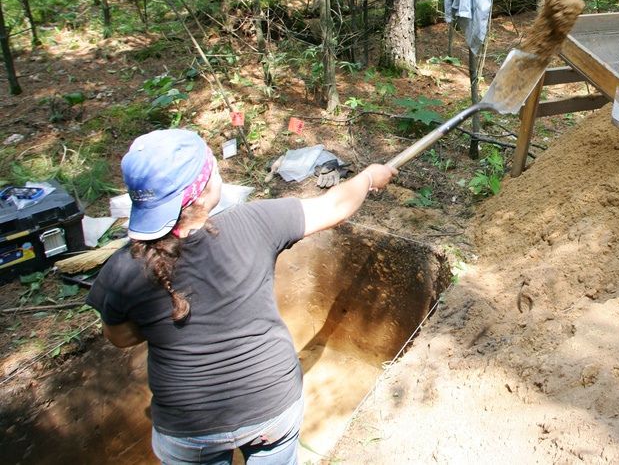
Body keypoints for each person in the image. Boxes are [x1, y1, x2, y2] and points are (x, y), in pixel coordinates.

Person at [85, 129, 397, 464]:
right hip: (271, 408)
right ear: (202, 196)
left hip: (187, 429)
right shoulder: (253, 222)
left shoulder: (122, 268)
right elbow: (335, 205)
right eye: (214, 169)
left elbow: (119, 337)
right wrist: (367, 177)